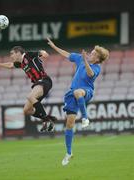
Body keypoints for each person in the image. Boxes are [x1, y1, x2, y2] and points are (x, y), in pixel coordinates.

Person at [47, 38, 109, 166]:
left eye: (93, 54)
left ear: (97, 59)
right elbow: (67, 54)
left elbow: (90, 73)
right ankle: (69, 153)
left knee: (78, 92)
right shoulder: (80, 58)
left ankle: (85, 118)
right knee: (69, 124)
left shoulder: (96, 67)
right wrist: (54, 46)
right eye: (91, 52)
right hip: (72, 94)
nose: (90, 54)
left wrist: (85, 60)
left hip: (86, 91)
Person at [0, 46, 57, 132]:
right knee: (27, 110)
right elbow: (10, 65)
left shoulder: (28, 55)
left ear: (18, 53)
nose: (11, 56)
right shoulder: (21, 63)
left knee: (30, 96)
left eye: (12, 54)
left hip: (44, 80)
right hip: (37, 84)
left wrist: (44, 53)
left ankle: (46, 120)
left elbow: (40, 52)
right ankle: (49, 118)